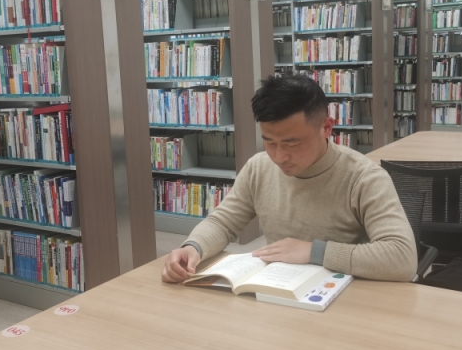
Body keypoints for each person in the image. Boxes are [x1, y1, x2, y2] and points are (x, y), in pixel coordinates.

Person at [161, 73, 417, 283]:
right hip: (280, 288)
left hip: (343, 295)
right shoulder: (258, 168)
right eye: (270, 142)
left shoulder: (364, 177)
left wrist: (313, 251)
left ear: (326, 127)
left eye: (292, 143)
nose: (279, 156)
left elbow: (402, 258)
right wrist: (193, 247)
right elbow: (223, 223)